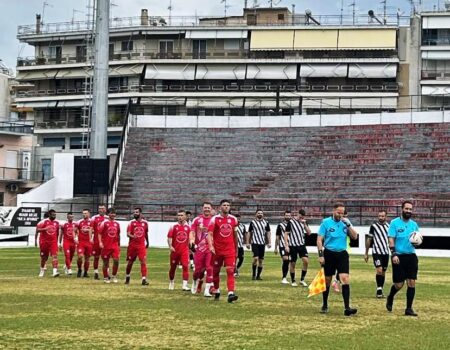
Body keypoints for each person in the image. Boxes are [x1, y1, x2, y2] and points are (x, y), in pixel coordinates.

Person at [317, 203, 358, 316]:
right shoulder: (326, 222)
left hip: (342, 254)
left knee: (345, 278)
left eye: (342, 213)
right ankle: (325, 304)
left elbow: (355, 237)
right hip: (329, 253)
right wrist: (321, 255)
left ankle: (347, 308)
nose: (340, 215)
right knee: (327, 280)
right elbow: (319, 239)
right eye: (338, 212)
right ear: (333, 211)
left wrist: (349, 225)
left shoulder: (345, 223)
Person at [386, 201, 420, 316]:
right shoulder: (394, 223)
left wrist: (417, 243)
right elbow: (391, 239)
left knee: (411, 282)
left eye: (410, 209)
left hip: (411, 256)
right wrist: (394, 254)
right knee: (399, 284)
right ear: (402, 209)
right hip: (398, 256)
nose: (408, 211)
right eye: (406, 209)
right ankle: (390, 296)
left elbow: (417, 239)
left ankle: (409, 309)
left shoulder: (414, 225)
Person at [207, 199, 239, 303]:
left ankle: (231, 293)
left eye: (228, 205)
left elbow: (235, 236)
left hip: (230, 250)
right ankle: (216, 289)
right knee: (216, 272)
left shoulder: (234, 220)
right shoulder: (214, 219)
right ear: (220, 207)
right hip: (217, 250)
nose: (226, 207)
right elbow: (210, 234)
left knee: (230, 271)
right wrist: (211, 246)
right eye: (224, 205)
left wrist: (237, 249)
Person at [364, 210, 390, 298]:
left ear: (386, 217)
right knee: (379, 270)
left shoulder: (389, 227)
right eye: (379, 216)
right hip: (376, 252)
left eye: (383, 216)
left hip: (386, 252)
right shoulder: (374, 226)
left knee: (383, 272)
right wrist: (366, 253)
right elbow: (369, 239)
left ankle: (380, 290)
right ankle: (379, 290)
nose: (381, 218)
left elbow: (391, 239)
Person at [190, 202, 214, 296]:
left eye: (208, 208)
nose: (207, 209)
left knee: (209, 268)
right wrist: (191, 240)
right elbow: (192, 231)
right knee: (198, 271)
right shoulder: (197, 220)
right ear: (202, 209)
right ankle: (195, 281)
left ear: (211, 209)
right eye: (205, 208)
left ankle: (207, 290)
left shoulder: (214, 220)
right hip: (199, 249)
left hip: (210, 248)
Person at [284, 209, 311, 287]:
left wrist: (305, 224)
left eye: (302, 217)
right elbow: (286, 234)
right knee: (293, 263)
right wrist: (286, 245)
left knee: (306, 261)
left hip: (301, 245)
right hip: (293, 245)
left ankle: (302, 279)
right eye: (300, 217)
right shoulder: (291, 222)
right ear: (297, 214)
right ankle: (293, 280)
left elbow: (309, 233)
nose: (301, 218)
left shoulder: (304, 222)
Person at [125, 207, 149, 286]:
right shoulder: (131, 223)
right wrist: (133, 236)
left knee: (143, 261)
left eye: (136, 212)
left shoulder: (145, 223)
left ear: (140, 213)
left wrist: (147, 242)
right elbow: (128, 234)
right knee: (130, 262)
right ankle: (128, 276)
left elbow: (145, 233)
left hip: (141, 245)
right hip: (132, 246)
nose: (135, 213)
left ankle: (144, 279)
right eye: (134, 212)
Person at [167, 210, 191, 291]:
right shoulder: (173, 226)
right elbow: (169, 237)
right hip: (175, 251)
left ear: (185, 217)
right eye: (179, 215)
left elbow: (190, 238)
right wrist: (170, 246)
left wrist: (191, 246)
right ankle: (171, 282)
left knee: (185, 266)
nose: (180, 217)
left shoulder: (188, 227)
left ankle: (184, 285)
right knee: (173, 267)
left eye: (182, 215)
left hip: (184, 250)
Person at [247, 209, 271, 280]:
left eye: (261, 213)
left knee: (260, 260)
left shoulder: (266, 222)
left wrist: (269, 242)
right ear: (256, 214)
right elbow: (249, 232)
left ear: (263, 214)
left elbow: (268, 232)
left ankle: (258, 276)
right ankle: (254, 274)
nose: (260, 214)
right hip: (255, 242)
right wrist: (248, 242)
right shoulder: (252, 222)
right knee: (255, 258)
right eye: (258, 213)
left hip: (262, 243)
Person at [99, 207, 121, 283]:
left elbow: (118, 235)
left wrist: (119, 245)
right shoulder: (104, 223)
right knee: (105, 262)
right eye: (111, 213)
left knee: (116, 260)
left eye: (114, 213)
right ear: (108, 214)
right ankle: (105, 277)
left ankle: (114, 276)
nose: (112, 214)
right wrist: (100, 242)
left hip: (114, 245)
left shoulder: (117, 224)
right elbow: (99, 233)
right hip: (106, 246)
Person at [36, 209, 60, 277]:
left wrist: (57, 241)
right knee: (44, 258)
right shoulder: (43, 222)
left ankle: (55, 271)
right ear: (49, 215)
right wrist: (45, 229)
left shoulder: (57, 223)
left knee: (54, 256)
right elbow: (37, 230)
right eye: (53, 215)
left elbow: (57, 232)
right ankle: (42, 270)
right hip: (45, 242)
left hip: (53, 242)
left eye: (55, 215)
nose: (54, 216)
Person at [275, 210, 291, 284]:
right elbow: (277, 237)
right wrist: (276, 247)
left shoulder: (293, 224)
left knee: (290, 261)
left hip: (292, 245)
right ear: (284, 216)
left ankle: (289, 277)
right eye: (286, 215)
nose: (288, 217)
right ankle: (284, 277)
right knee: (286, 259)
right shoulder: (280, 225)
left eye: (289, 215)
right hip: (282, 245)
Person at [76, 209, 93, 278]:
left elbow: (95, 230)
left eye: (86, 213)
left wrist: (89, 230)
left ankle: (85, 272)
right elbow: (74, 230)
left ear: (89, 214)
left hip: (89, 243)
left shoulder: (92, 221)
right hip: (81, 243)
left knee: (87, 258)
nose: (84, 214)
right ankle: (79, 269)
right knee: (80, 256)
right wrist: (75, 238)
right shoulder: (79, 222)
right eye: (83, 213)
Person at [91, 205, 107, 280]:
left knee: (106, 258)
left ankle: (106, 273)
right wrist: (90, 238)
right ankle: (96, 273)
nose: (100, 210)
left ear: (105, 209)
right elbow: (91, 229)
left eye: (102, 208)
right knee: (96, 257)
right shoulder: (94, 218)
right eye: (99, 208)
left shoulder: (107, 218)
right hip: (96, 241)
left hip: (106, 242)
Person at [234, 213, 247, 278]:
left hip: (240, 245)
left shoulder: (242, 226)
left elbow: (244, 234)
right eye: (236, 218)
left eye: (238, 218)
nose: (237, 219)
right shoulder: (232, 225)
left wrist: (246, 242)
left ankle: (236, 268)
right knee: (234, 259)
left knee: (241, 258)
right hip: (233, 246)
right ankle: (235, 271)